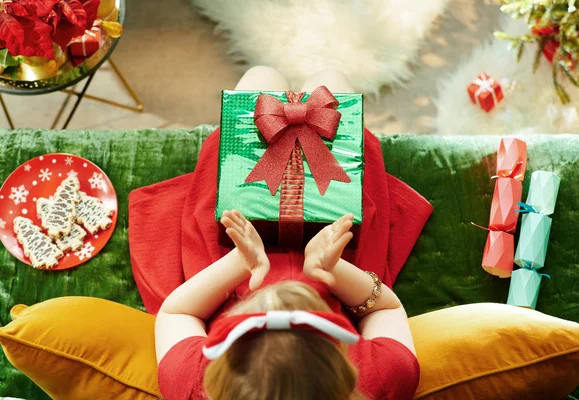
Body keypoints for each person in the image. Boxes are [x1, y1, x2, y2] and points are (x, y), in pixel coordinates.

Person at [152, 67, 421, 400]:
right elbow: (385, 310)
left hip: (232, 255)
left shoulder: (192, 383)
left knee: (258, 83)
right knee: (331, 84)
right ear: (340, 370)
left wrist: (241, 261)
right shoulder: (384, 377)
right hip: (337, 254)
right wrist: (330, 268)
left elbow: (178, 312)